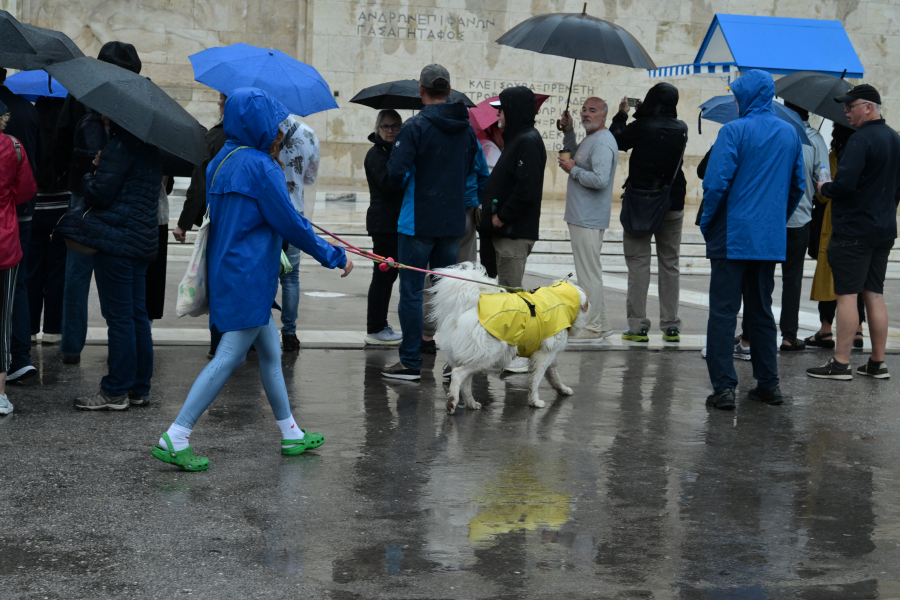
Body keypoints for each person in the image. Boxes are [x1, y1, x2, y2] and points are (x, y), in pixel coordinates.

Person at [152, 88, 353, 471]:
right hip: (250, 276)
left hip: (229, 269)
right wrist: (334, 254)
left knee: (271, 354)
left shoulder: (221, 160)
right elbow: (291, 223)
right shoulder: (262, 166)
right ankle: (176, 435)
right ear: (257, 123)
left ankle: (291, 433)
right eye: (273, 122)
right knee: (229, 357)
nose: (278, 129)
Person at [700, 70, 804, 410]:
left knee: (723, 313)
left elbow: (716, 184)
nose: (734, 99)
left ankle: (724, 388)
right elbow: (797, 187)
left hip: (732, 235)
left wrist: (707, 221)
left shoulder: (733, 130)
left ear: (746, 96)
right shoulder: (790, 134)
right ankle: (768, 383)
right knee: (761, 311)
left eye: (736, 94)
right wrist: (775, 219)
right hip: (767, 237)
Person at [382, 64, 480, 381]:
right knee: (446, 297)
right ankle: (452, 365)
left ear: (421, 91)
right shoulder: (466, 130)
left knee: (411, 294)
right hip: (452, 224)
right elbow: (476, 172)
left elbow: (395, 174)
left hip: (416, 224)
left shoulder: (415, 127)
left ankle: (411, 362)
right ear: (449, 91)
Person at [56, 116, 161, 411]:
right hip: (141, 242)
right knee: (137, 315)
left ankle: (115, 390)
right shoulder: (151, 147)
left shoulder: (119, 145)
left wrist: (93, 171)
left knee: (119, 318)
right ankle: (139, 388)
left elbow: (99, 194)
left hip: (116, 242)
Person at [808, 84, 900, 380]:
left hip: (853, 232)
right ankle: (877, 362)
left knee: (846, 294)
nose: (845, 112)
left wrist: (825, 187)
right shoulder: (895, 139)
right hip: (883, 230)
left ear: (869, 107)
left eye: (850, 106)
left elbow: (844, 186)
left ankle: (841, 363)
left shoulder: (860, 141)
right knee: (874, 294)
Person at [57, 42, 140, 366]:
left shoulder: (82, 91)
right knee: (116, 274)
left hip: (84, 193)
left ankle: (71, 347)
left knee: (78, 273)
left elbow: (61, 141)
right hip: (117, 195)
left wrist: (73, 179)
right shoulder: (136, 97)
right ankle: (120, 345)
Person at [610, 83, 688, 343]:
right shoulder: (682, 129)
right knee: (670, 264)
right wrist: (645, 114)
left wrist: (623, 113)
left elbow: (618, 139)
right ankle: (671, 325)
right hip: (672, 201)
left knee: (639, 264)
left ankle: (638, 326)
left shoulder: (642, 127)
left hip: (641, 204)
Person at [557, 97, 619, 340]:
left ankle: (592, 326)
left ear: (604, 116)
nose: (586, 114)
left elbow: (600, 180)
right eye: (583, 110)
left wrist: (573, 170)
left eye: (592, 111)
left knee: (588, 275)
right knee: (589, 271)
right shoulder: (592, 137)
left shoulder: (603, 141)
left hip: (588, 217)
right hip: (581, 215)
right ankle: (601, 323)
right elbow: (576, 156)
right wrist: (570, 131)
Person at [173, 92, 227, 357]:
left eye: (220, 101)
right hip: (250, 228)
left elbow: (199, 184)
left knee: (218, 283)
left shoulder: (215, 137)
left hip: (218, 224)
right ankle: (247, 342)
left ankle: (218, 345)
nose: (217, 105)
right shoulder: (260, 142)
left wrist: (184, 223)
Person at [805, 124, 867, 350]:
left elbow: (823, 195)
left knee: (828, 275)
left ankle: (825, 330)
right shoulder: (865, 155)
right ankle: (858, 330)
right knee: (857, 276)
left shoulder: (832, 158)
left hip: (833, 223)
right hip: (860, 221)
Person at [0, 68, 43, 384]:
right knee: (18, 285)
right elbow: (39, 161)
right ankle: (21, 356)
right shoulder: (28, 110)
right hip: (19, 214)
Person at [482, 87, 546, 288]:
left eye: (502, 109)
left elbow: (527, 190)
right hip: (505, 234)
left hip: (513, 235)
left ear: (514, 110)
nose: (497, 114)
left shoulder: (528, 141)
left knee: (510, 298)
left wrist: (501, 217)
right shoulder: (517, 139)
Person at [27, 96, 68, 346]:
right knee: (57, 272)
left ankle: (30, 327)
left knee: (31, 271)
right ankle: (53, 330)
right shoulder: (66, 133)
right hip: (62, 207)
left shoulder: (31, 130)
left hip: (35, 206)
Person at [277, 115, 320, 351]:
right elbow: (310, 177)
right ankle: (290, 333)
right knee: (291, 277)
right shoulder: (309, 133)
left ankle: (257, 330)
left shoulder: (263, 129)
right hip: (295, 213)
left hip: (268, 211)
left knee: (266, 274)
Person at [364, 109, 404, 346]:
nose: (390, 131)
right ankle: (376, 327)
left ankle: (379, 325)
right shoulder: (376, 155)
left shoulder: (391, 152)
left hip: (393, 223)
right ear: (378, 129)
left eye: (395, 126)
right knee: (383, 275)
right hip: (384, 224)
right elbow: (389, 184)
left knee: (389, 275)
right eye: (385, 126)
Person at [145, 175, 173, 321]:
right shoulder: (167, 158)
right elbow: (168, 187)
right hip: (159, 217)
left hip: (140, 218)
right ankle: (148, 321)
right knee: (155, 276)